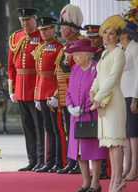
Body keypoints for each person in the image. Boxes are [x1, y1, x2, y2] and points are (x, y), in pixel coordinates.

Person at [90, 15, 127, 192]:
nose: (107, 36)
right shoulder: (104, 53)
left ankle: (118, 181)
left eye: (111, 33)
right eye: (105, 33)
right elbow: (99, 77)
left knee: (116, 142)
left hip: (114, 102)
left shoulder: (119, 53)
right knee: (110, 144)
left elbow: (113, 78)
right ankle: (115, 182)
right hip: (103, 101)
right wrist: (92, 91)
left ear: (118, 36)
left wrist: (98, 97)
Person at [65, 39, 108, 192]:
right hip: (76, 117)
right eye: (73, 54)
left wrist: (85, 108)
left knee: (93, 151)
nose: (74, 57)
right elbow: (69, 92)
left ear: (87, 54)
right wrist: (70, 107)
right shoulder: (75, 69)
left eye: (77, 54)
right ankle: (85, 182)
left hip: (92, 114)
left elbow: (100, 91)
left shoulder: (97, 68)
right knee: (78, 152)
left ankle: (96, 184)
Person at [8, 8, 44, 171]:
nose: (25, 23)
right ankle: (32, 159)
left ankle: (41, 159)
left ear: (34, 20)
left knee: (39, 126)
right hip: (21, 88)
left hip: (35, 86)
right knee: (28, 127)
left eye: (28, 20)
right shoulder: (16, 36)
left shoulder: (41, 35)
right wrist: (12, 88)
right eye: (22, 20)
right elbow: (11, 65)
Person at [56, 3, 85, 175]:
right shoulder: (67, 45)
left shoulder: (81, 43)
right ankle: (71, 161)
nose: (61, 30)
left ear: (72, 27)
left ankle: (76, 162)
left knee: (76, 131)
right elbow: (58, 72)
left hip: (76, 94)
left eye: (64, 26)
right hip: (64, 94)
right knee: (68, 130)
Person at [34, 16, 64, 173]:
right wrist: (36, 95)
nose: (44, 33)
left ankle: (59, 162)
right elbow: (39, 73)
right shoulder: (41, 48)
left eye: (46, 29)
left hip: (52, 93)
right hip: (42, 92)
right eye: (41, 30)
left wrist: (57, 95)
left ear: (54, 29)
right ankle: (49, 161)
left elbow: (60, 74)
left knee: (57, 129)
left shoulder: (60, 48)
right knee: (48, 129)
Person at [84, 24, 109, 179]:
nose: (92, 40)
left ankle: (104, 168)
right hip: (93, 99)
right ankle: (100, 169)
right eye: (90, 37)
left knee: (104, 135)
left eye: (95, 37)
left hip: (104, 98)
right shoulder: (90, 55)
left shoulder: (104, 54)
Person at [120, 20, 138, 181]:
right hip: (122, 95)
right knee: (126, 133)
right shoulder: (122, 49)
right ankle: (127, 167)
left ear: (126, 33)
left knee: (133, 134)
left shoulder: (135, 48)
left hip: (131, 95)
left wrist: (135, 98)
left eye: (119, 31)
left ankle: (135, 168)